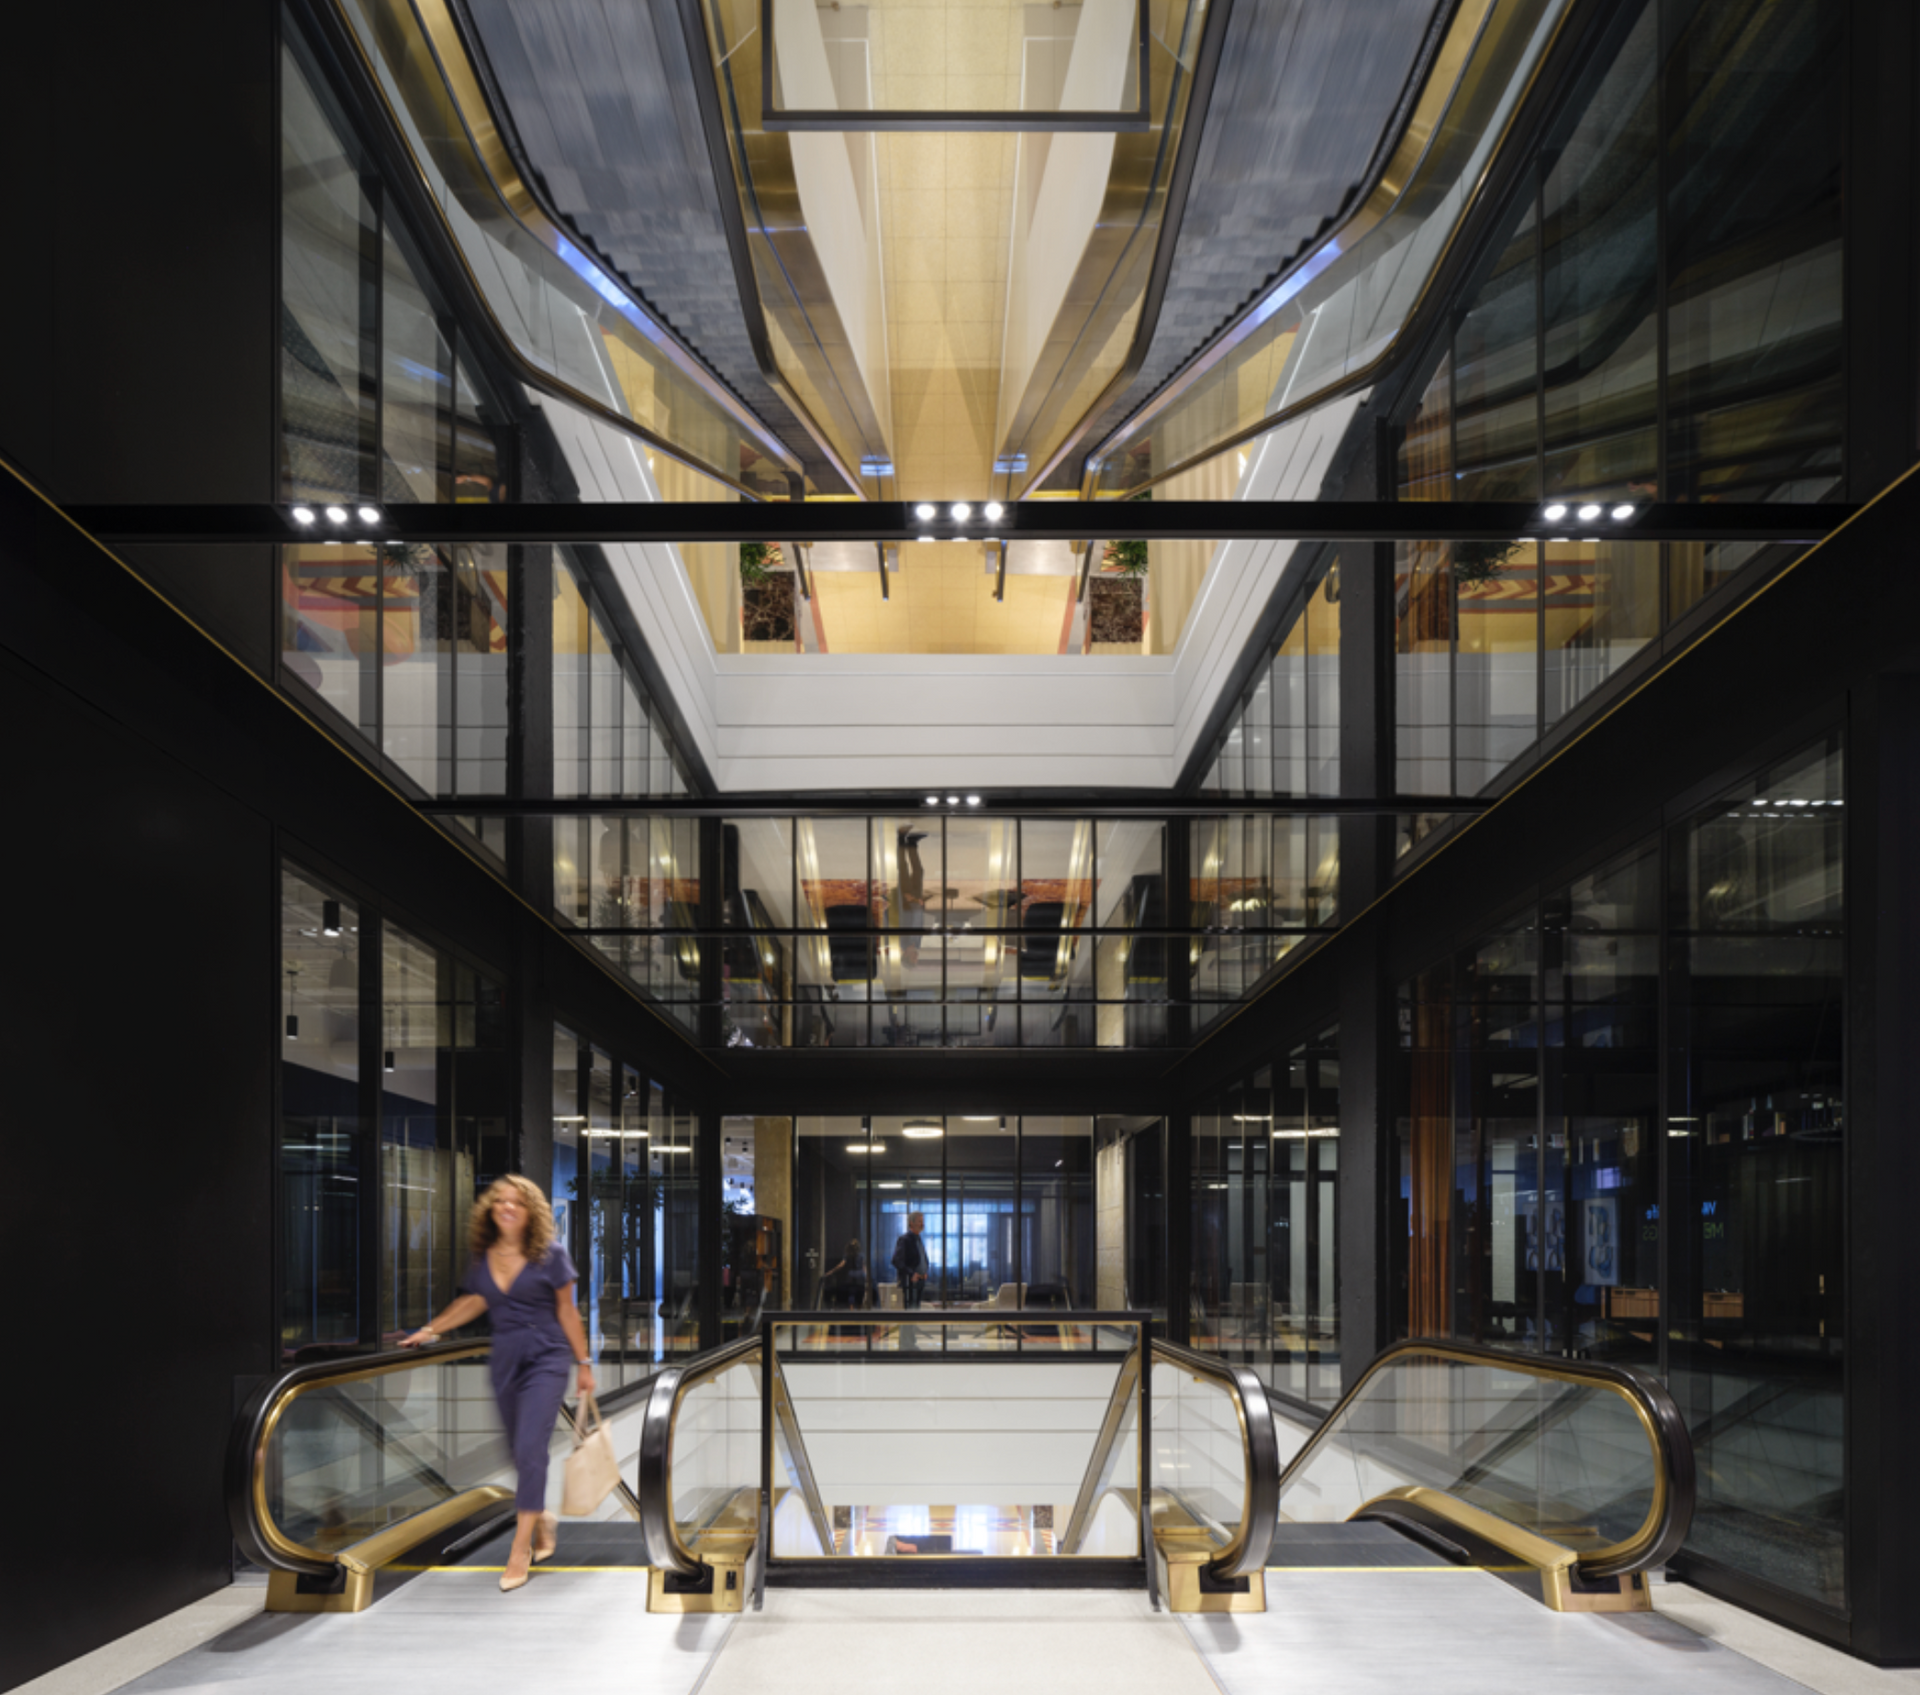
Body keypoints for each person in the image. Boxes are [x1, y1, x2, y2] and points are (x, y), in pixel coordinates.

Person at [401, 1175, 593, 1593]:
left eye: (517, 1202)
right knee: (517, 1452)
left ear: (531, 1213)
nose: (507, 1207)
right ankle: (541, 1518)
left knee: (530, 1449)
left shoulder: (551, 1255)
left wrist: (584, 1363)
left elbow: (567, 1310)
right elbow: (474, 1300)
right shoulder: (485, 1255)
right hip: (505, 1359)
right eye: (501, 1200)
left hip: (546, 1357)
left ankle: (519, 1549)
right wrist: (431, 1329)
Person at [891, 1211, 930, 1309]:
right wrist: (911, 1274)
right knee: (911, 1309)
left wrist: (924, 1271)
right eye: (919, 1221)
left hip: (920, 1280)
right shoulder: (905, 1240)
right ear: (911, 1223)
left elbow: (920, 1257)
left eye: (922, 1221)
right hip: (911, 1282)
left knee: (916, 1308)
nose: (922, 1224)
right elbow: (896, 1260)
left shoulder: (918, 1239)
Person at [824, 1237, 867, 1309]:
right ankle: (859, 1312)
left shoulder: (847, 1256)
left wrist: (831, 1271)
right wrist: (866, 1276)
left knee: (851, 1295)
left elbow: (841, 1265)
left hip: (851, 1277)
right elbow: (864, 1267)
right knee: (859, 1295)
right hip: (860, 1277)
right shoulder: (861, 1256)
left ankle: (852, 1312)